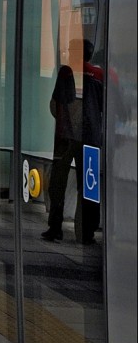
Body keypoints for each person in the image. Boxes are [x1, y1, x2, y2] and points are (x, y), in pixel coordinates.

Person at [42, 38, 103, 244]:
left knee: (58, 182)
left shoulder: (66, 72)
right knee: (88, 185)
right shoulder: (100, 75)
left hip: (66, 138)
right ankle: (86, 233)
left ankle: (55, 228)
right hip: (91, 138)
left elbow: (56, 104)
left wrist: (64, 122)